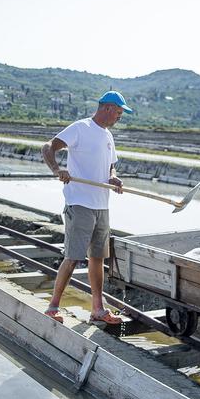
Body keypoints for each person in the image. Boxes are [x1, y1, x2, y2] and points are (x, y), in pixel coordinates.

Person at [40, 90, 132, 324]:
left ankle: (98, 310)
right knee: (72, 257)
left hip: (102, 205)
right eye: (119, 112)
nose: (119, 117)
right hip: (79, 203)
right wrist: (57, 169)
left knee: (97, 259)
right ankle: (52, 307)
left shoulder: (108, 136)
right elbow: (48, 147)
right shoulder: (81, 128)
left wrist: (113, 178)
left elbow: (111, 166)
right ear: (107, 108)